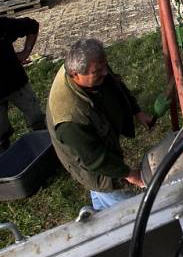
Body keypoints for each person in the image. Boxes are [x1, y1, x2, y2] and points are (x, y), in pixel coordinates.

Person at [46, 39, 154, 210]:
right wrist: (129, 174)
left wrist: (136, 111)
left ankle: (101, 212)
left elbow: (116, 85)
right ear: (75, 75)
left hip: (96, 143)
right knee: (127, 207)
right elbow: (94, 159)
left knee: (103, 202)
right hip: (91, 163)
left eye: (105, 66)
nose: (105, 72)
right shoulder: (70, 118)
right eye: (98, 71)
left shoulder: (94, 64)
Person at [0, 16, 46, 152]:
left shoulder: (2, 25)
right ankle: (6, 164)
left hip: (17, 84)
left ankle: (46, 150)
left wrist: (26, 51)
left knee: (37, 121)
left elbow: (32, 26)